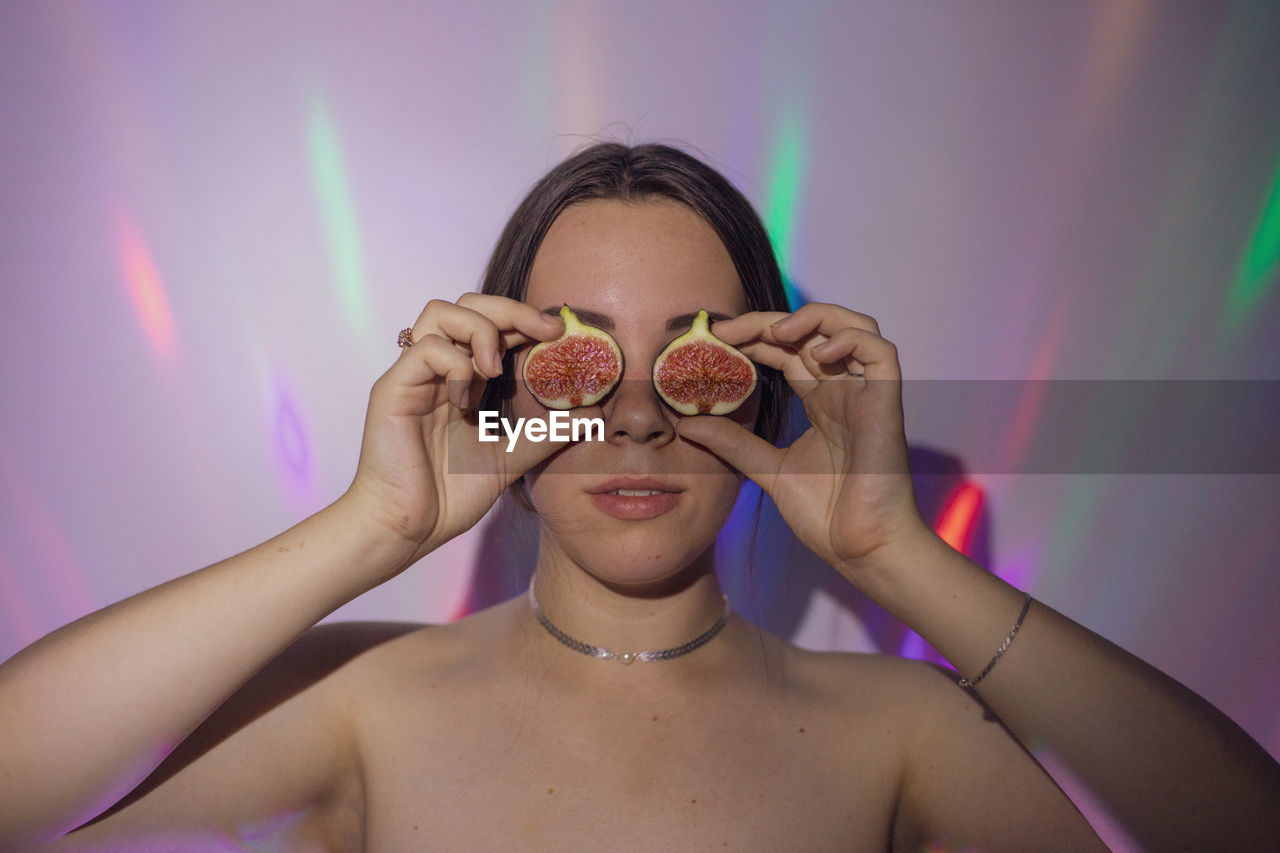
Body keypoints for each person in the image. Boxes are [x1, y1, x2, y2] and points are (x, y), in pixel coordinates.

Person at [0, 143, 1276, 852]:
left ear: (763, 385)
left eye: (694, 355)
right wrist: (368, 530)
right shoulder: (360, 706)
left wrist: (899, 557)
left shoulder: (902, 728)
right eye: (579, 355)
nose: (633, 412)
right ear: (500, 385)